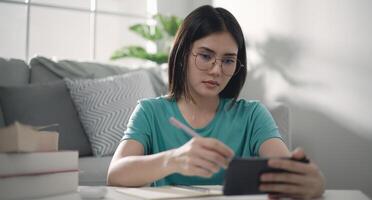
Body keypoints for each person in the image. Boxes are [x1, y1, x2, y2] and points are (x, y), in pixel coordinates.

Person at [107, 5, 325, 199]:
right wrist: (173, 159)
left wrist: (312, 183)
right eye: (205, 56)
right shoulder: (150, 112)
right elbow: (115, 174)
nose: (216, 70)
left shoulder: (252, 115)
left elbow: (286, 172)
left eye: (228, 60)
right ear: (183, 55)